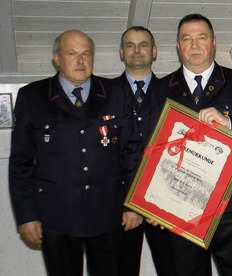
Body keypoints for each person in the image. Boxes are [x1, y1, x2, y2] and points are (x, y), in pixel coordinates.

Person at [9, 29, 141, 276]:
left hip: (107, 213)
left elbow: (132, 153)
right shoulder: (33, 97)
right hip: (56, 215)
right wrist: (26, 216)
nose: (80, 61)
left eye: (86, 54)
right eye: (72, 54)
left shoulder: (116, 93)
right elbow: (21, 162)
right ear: (56, 58)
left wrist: (133, 205)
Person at [152, 13, 232, 276]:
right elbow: (152, 147)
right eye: (186, 39)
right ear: (178, 46)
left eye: (201, 38)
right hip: (180, 205)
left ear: (213, 42)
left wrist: (228, 122)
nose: (194, 45)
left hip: (231, 206)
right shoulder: (161, 89)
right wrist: (151, 200)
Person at [114, 26, 177, 276]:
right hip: (121, 203)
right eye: (130, 45)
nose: (137, 50)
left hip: (164, 202)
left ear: (154, 51)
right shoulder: (106, 94)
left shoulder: (173, 93)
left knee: (171, 268)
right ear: (121, 52)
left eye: (143, 45)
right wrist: (129, 202)